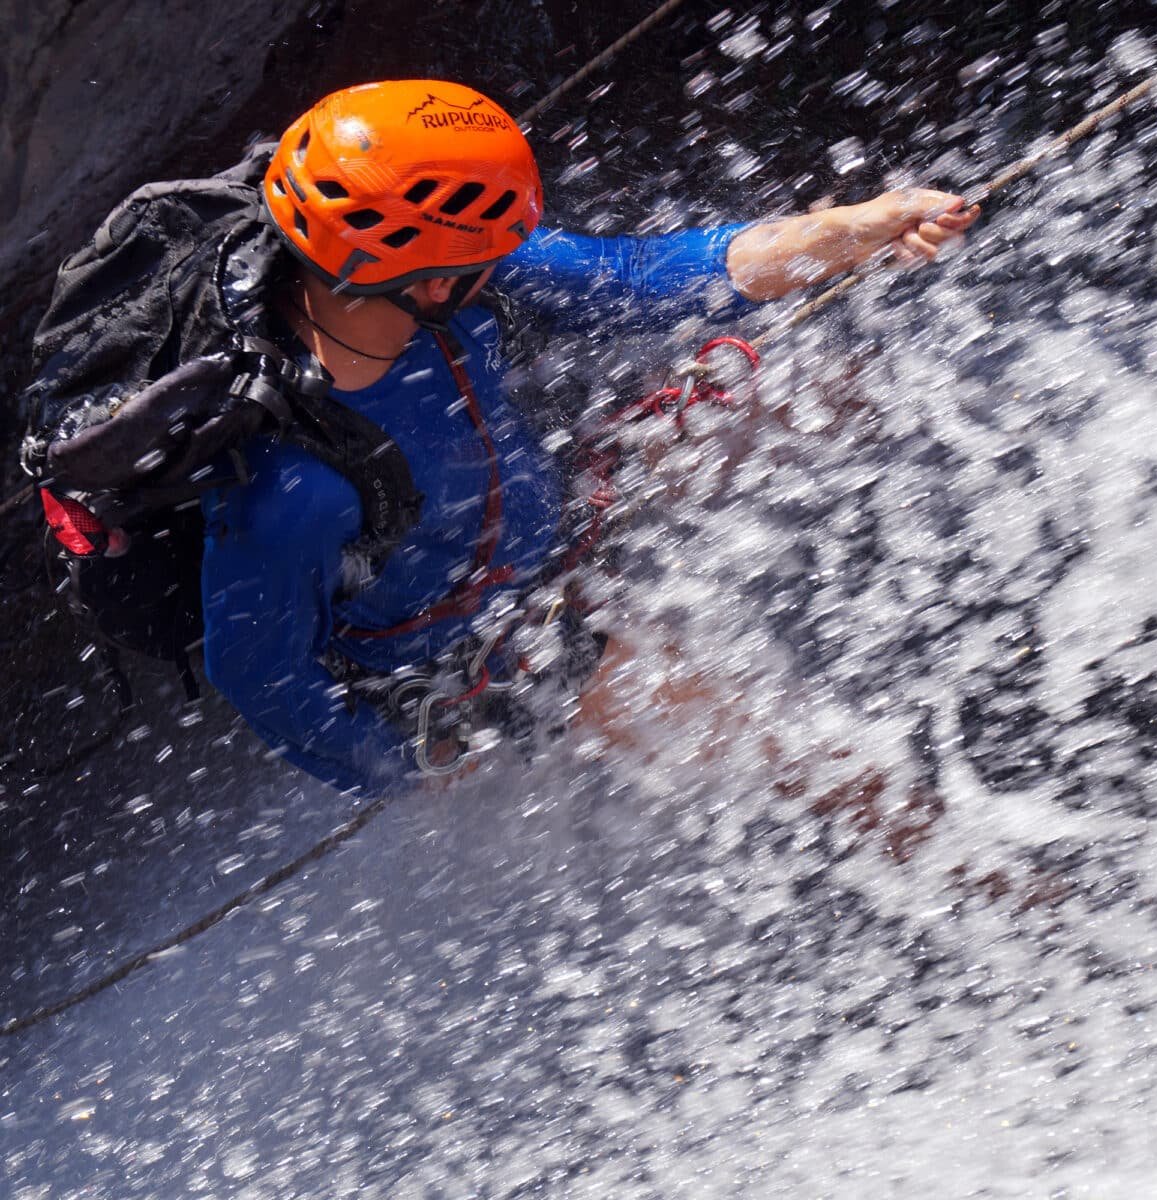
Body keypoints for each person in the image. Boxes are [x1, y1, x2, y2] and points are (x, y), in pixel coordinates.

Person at [47, 79, 982, 794]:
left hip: (541, 515)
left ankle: (970, 509)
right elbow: (266, 681)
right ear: (424, 275)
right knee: (824, 765)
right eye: (488, 247)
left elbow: (646, 277)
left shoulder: (432, 284)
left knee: (817, 389)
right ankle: (1003, 880)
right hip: (477, 644)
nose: (513, 258)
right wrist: (418, 761)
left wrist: (852, 228)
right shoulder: (289, 491)